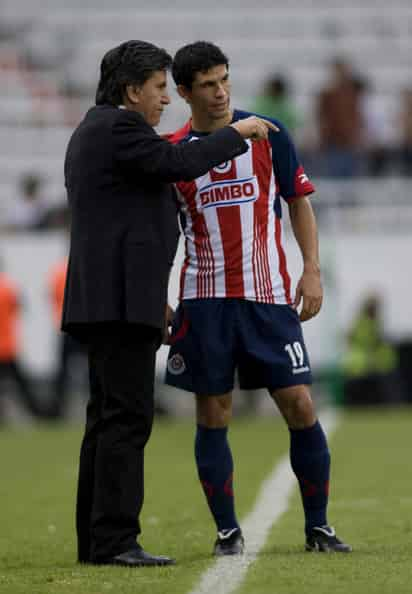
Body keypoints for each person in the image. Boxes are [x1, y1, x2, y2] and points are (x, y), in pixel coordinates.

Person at [62, 39, 276, 568]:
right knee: (127, 419)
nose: (165, 101)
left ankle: (97, 539)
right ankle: (114, 539)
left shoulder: (98, 131)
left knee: (106, 418)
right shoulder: (119, 127)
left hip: (111, 297)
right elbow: (177, 161)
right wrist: (234, 133)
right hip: (118, 300)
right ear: (132, 91)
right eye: (160, 89)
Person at [166, 41, 351, 555]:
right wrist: (160, 297)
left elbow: (299, 202)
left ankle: (319, 526)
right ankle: (227, 532)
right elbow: (163, 233)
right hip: (205, 300)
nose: (221, 91)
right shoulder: (175, 153)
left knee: (299, 403)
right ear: (185, 92)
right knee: (214, 412)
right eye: (207, 84)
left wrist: (311, 269)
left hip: (268, 297)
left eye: (225, 79)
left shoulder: (268, 134)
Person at [47, 258, 87, 419]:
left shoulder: (59, 272)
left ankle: (58, 408)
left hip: (66, 325)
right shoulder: (86, 269)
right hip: (85, 325)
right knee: (96, 366)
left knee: (63, 372)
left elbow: (52, 297)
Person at [0, 265, 40, 420]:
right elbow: (22, 307)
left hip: (5, 346)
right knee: (22, 386)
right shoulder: (8, 287)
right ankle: (37, 413)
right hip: (7, 346)